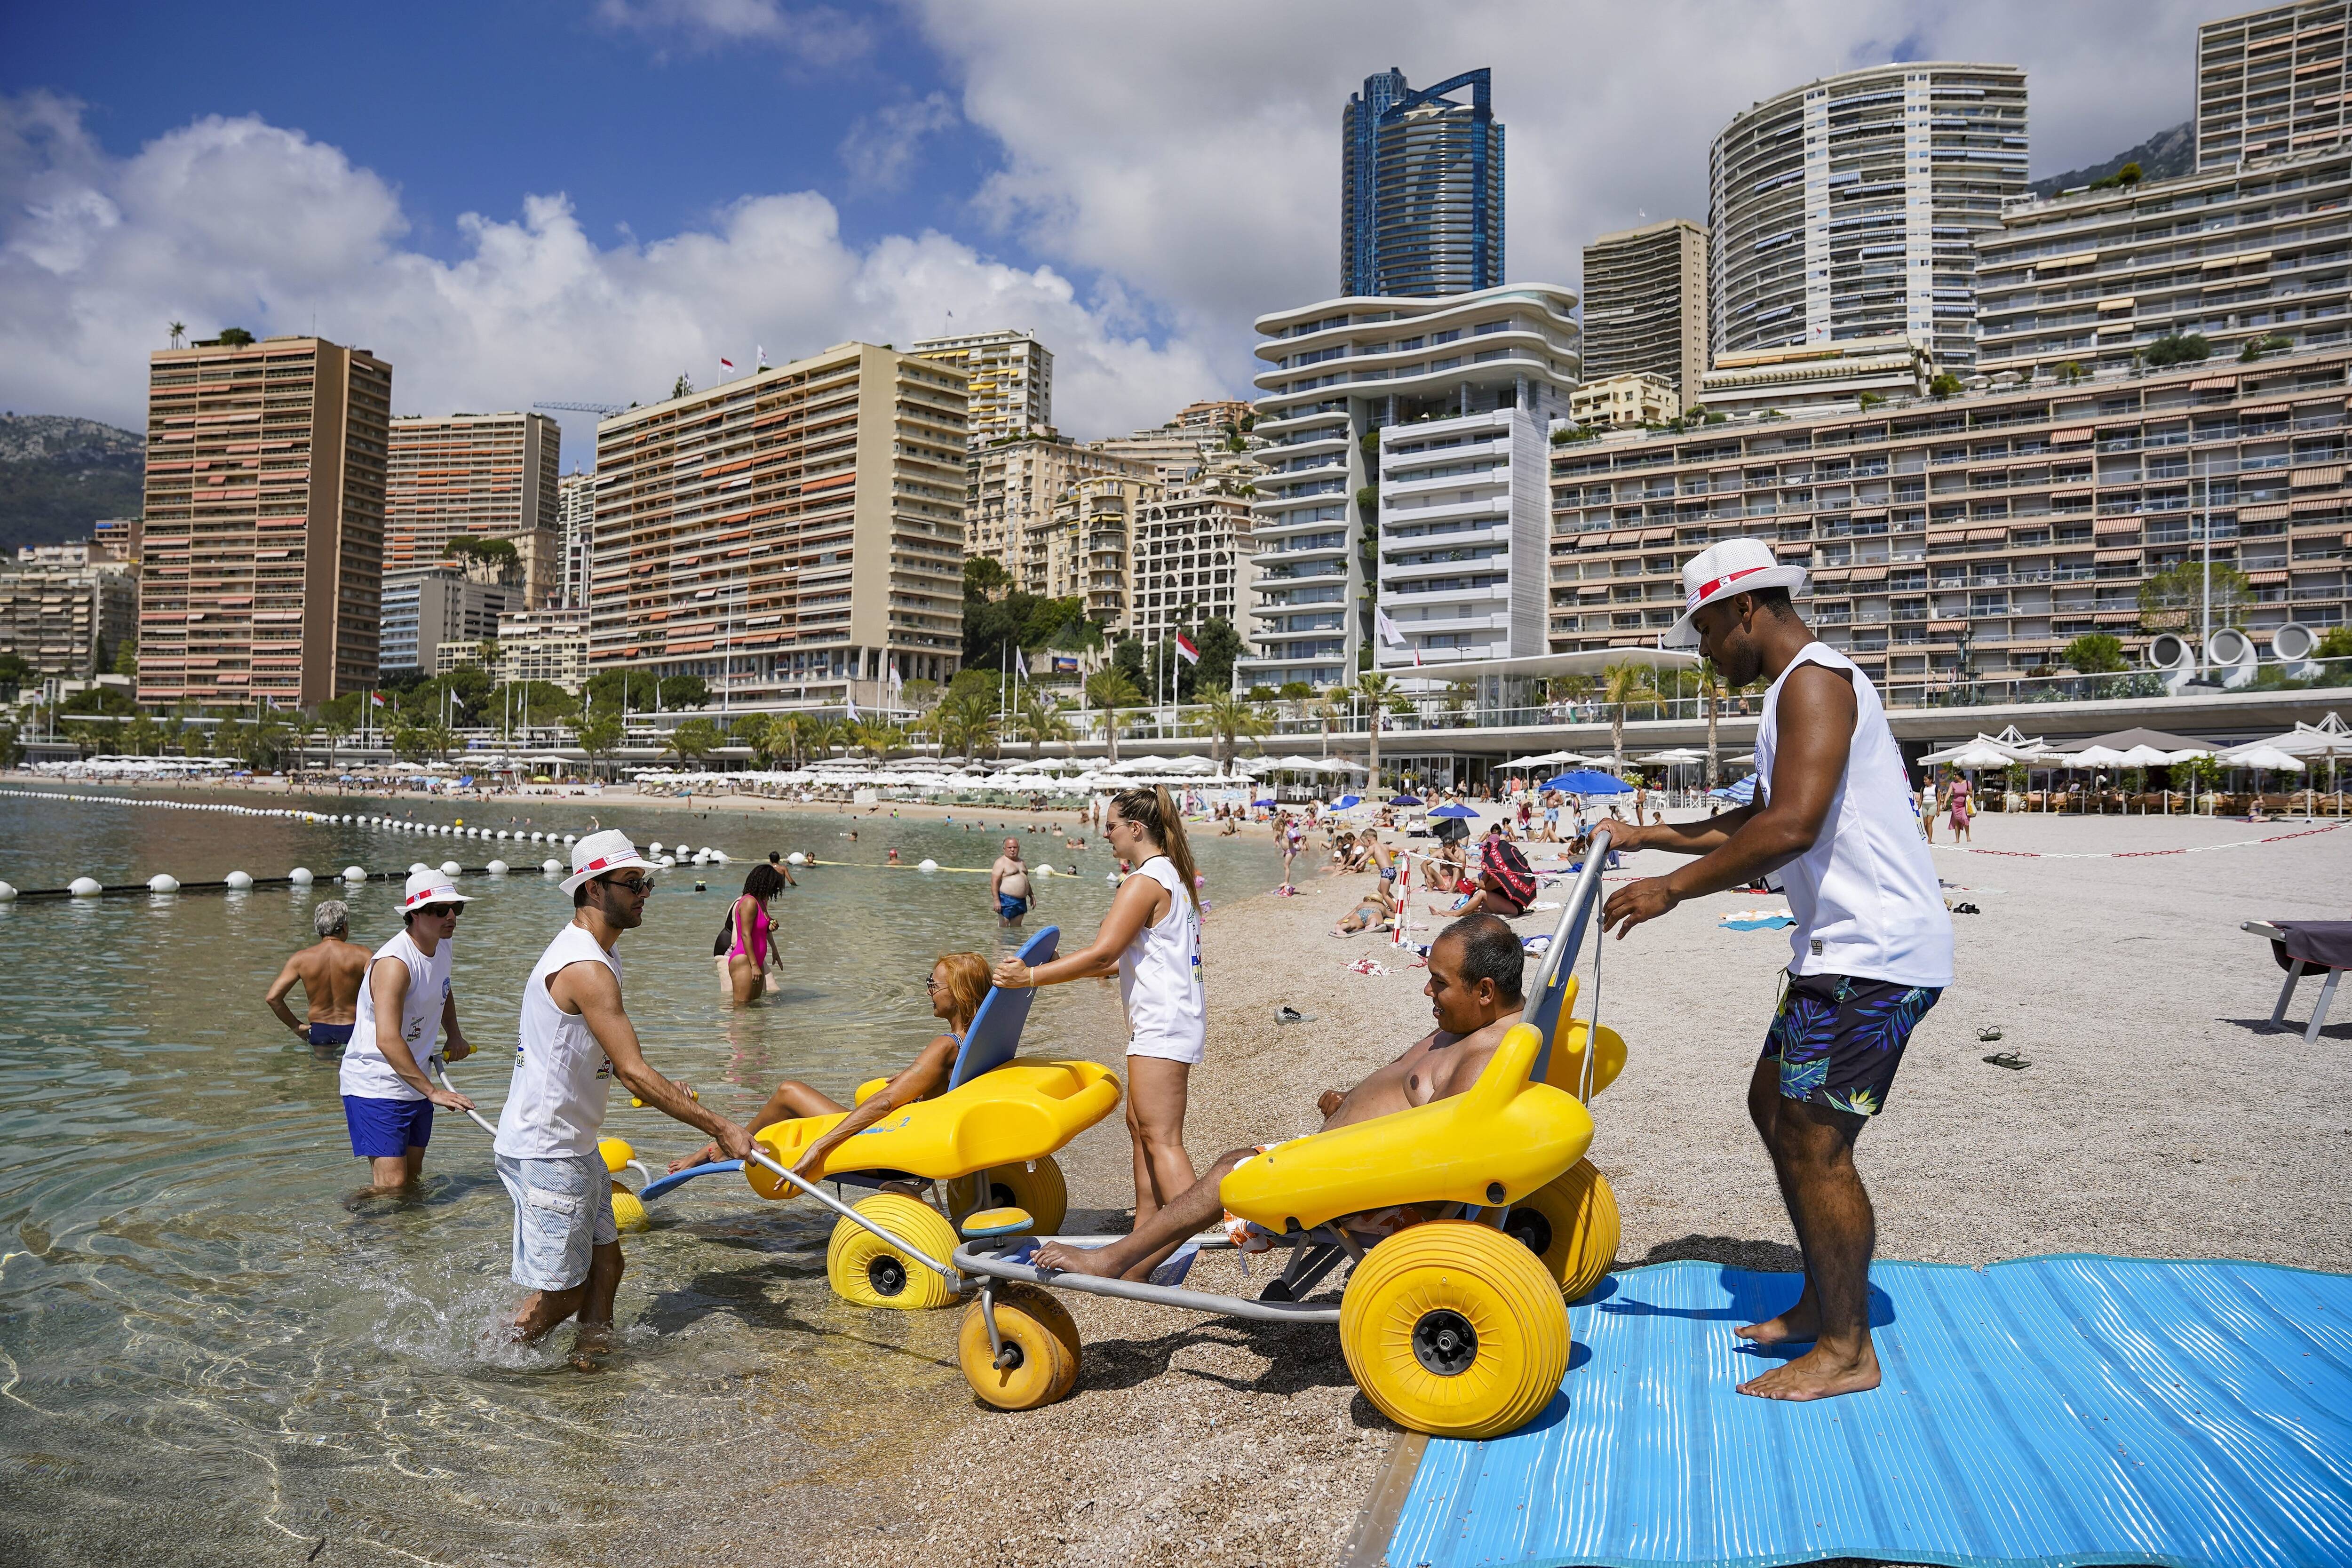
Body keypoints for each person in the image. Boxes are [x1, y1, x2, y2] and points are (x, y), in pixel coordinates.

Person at [1583, 538, 1952, 1403]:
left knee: (1815, 1141)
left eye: (1707, 628)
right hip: (1838, 949)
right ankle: (1822, 1296)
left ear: (1746, 607)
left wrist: (1670, 889)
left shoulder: (1818, 679)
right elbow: (1759, 814)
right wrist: (1652, 836)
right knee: (1771, 1102)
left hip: (1877, 954)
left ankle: (1848, 1347)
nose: (1707, 650)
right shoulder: (1793, 692)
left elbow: (1790, 827)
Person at [1033, 915, 1526, 1282]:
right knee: (1238, 1163)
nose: (1426, 990)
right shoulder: (1478, 1026)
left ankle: (1113, 1260)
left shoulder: (1484, 1055)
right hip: (1352, 1162)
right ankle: (1137, 1263)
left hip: (1368, 1189)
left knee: (1234, 1169)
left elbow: (1441, 1154)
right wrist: (1351, 1103)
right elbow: (1414, 1097)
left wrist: (1350, 1142)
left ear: (1484, 990)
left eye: (1439, 982)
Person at [495, 831, 755, 1350]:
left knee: (608, 1263)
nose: (644, 893)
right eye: (633, 883)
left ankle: (592, 1361)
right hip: (547, 1149)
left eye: (647, 883)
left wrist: (653, 1084)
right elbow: (633, 1071)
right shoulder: (586, 967)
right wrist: (722, 1127)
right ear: (593, 889)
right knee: (564, 1293)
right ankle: (492, 1357)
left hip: (574, 1144)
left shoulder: (601, 956)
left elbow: (595, 1055)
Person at [993, 785, 1204, 1235]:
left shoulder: (1144, 882)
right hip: (1170, 1020)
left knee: (1162, 1139)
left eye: (1110, 826)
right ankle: (1145, 1235)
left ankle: (1215, 1237)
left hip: (1163, 1023)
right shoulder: (1173, 877)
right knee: (1140, 1128)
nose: (1105, 834)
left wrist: (1029, 978)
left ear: (1135, 828)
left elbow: (1102, 954)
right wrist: (1051, 968)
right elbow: (1113, 961)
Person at [669, 953, 991, 1174]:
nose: (928, 991)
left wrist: (820, 1146)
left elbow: (884, 1103)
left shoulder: (945, 1045)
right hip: (915, 1143)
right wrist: (916, 1076)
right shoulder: (978, 1044)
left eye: (934, 984)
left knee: (788, 1091)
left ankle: (724, 1146)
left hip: (891, 1150)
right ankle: (721, 1145)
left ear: (960, 993)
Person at [338, 871, 476, 1194]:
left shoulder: (443, 944)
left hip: (414, 1081)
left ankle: (408, 1244)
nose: (451, 916)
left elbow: (444, 986)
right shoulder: (394, 963)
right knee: (392, 1186)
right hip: (376, 1083)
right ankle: (343, 1233)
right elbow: (386, 1039)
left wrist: (454, 1034)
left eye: (456, 907)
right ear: (414, 914)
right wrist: (433, 1092)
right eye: (441, 910)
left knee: (412, 1182)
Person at [265, 899, 371, 1049]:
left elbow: (273, 998)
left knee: (322, 1071)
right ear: (345, 927)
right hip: (354, 1028)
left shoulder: (301, 959)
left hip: (320, 1031)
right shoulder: (363, 955)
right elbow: (382, 989)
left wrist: (297, 1027)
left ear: (318, 928)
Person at [717, 864, 785, 1004]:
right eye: (775, 886)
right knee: (742, 1008)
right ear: (765, 883)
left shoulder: (761, 902)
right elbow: (746, 935)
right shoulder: (749, 902)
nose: (775, 890)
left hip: (756, 960)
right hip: (744, 960)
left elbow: (763, 929)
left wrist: (775, 951)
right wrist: (754, 966)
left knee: (755, 1008)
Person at [1452, 833, 1535, 919]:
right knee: (1477, 907)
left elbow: (1483, 887)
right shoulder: (1500, 867)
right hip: (1505, 902)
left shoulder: (1504, 872)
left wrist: (1487, 870)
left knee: (1481, 894)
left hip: (1514, 908)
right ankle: (1454, 912)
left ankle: (1455, 914)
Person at [990, 837, 1035, 923]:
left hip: (1021, 901)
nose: (1012, 850)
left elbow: (1026, 880)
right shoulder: (1001, 862)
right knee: (1004, 929)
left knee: (1017, 929)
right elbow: (994, 883)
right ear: (1004, 849)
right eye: (1010, 848)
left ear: (1019, 848)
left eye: (1015, 847)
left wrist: (1031, 896)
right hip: (1006, 899)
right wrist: (996, 900)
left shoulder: (1022, 862)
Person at [1947, 774, 1972, 842]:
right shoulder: (1953, 784)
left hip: (1964, 805)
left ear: (1960, 775)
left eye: (1956, 775)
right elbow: (1949, 792)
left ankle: (1968, 836)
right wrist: (1945, 801)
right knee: (1957, 821)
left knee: (1965, 819)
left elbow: (1971, 793)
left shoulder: (1968, 783)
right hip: (1956, 805)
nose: (1954, 776)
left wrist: (1968, 793)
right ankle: (1957, 839)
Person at [1918, 775, 1937, 844]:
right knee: (1925, 824)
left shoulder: (1935, 788)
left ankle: (1930, 840)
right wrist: (1918, 807)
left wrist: (1938, 811)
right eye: (1924, 780)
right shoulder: (1923, 788)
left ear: (1931, 780)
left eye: (1926, 780)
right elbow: (1921, 798)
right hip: (1925, 806)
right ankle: (1929, 837)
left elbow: (1939, 799)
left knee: (1929, 823)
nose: (1924, 781)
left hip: (1933, 805)